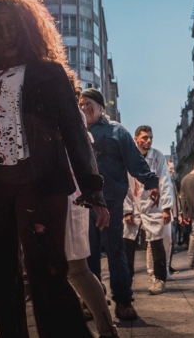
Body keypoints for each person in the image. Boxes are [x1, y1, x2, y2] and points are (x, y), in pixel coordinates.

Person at [0, 0, 108, 338]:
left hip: (40, 182)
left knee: (47, 271)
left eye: (11, 27)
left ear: (25, 29)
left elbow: (74, 133)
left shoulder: (48, 73)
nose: (4, 35)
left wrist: (93, 190)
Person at [79, 90, 160, 320]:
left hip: (110, 200)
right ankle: (92, 301)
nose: (83, 108)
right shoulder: (76, 132)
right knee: (89, 254)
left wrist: (151, 183)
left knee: (115, 250)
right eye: (81, 104)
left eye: (89, 104)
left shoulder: (118, 131)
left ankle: (123, 301)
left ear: (101, 106)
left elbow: (135, 162)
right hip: (83, 203)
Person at [65, 76, 118, 338]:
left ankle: (107, 330)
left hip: (69, 199)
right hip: (53, 197)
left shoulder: (73, 116)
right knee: (71, 271)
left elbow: (86, 158)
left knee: (77, 270)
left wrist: (97, 198)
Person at [123, 126, 174, 295]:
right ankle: (126, 280)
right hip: (134, 202)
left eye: (151, 137)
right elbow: (124, 185)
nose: (149, 141)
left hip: (153, 205)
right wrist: (127, 210)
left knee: (157, 243)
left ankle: (159, 279)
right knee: (127, 243)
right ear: (136, 139)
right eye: (145, 137)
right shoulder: (127, 156)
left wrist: (166, 207)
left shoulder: (158, 157)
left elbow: (165, 182)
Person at [166, 159, 182, 274]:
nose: (172, 169)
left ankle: (168, 265)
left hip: (174, 215)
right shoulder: (164, 180)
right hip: (168, 216)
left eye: (173, 167)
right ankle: (166, 267)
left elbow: (176, 198)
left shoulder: (171, 180)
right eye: (170, 167)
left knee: (172, 242)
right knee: (168, 242)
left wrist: (179, 213)